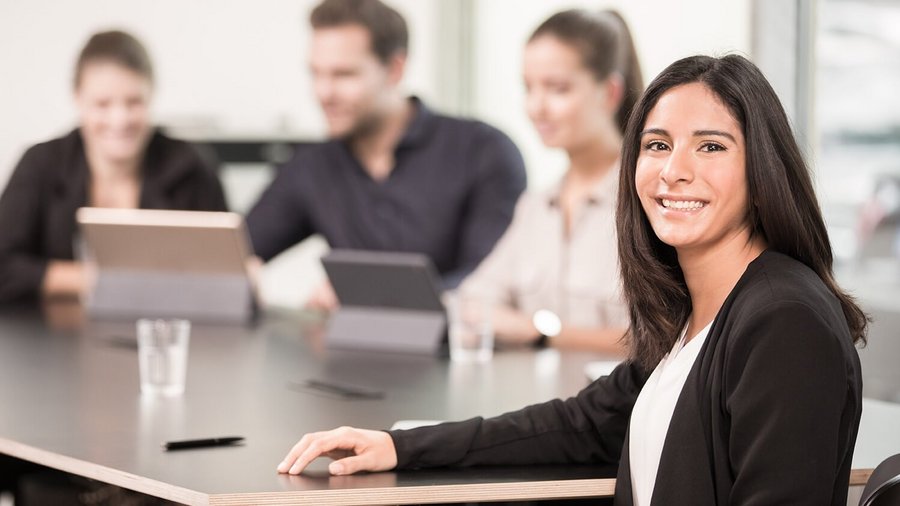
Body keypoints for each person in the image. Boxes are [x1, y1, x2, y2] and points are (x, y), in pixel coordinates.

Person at [276, 54, 867, 506]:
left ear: (762, 170)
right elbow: (578, 425)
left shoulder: (783, 321)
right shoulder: (694, 314)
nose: (673, 171)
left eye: (710, 147)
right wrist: (402, 445)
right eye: (656, 145)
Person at [245, 0, 526, 310]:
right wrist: (239, 276)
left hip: (458, 351)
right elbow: (239, 252)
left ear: (395, 69)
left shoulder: (482, 152)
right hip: (352, 353)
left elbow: (488, 282)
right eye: (316, 74)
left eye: (344, 75)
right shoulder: (312, 167)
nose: (324, 93)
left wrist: (370, 295)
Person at [458, 9, 640, 353]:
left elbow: (667, 340)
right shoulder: (537, 207)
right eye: (529, 87)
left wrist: (539, 331)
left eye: (557, 89)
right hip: (540, 403)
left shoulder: (649, 201)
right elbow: (473, 301)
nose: (536, 107)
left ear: (610, 92)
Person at [0, 30, 227, 304]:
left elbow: (225, 268)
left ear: (151, 95)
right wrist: (94, 280)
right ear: (78, 99)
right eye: (102, 104)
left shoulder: (192, 168)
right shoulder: (40, 165)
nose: (119, 120)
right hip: (48, 335)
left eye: (134, 102)